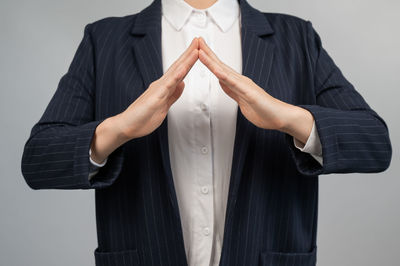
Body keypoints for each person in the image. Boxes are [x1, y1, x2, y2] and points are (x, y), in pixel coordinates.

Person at [20, 0, 392, 265]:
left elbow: (374, 143)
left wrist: (287, 118)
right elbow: (39, 160)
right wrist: (119, 129)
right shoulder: (104, 40)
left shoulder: (295, 37)